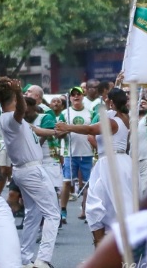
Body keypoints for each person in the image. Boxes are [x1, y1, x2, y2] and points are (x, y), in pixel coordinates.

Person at [0, 77, 59, 268]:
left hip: (25, 170)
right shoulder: (10, 118)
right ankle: (43, 260)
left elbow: (36, 130)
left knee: (33, 214)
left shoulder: (13, 120)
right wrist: (19, 93)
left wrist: (58, 131)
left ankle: (25, 259)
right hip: (31, 170)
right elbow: (21, 110)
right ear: (13, 96)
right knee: (53, 214)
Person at [56, 88, 135, 247]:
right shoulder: (124, 117)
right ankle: (109, 245)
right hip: (121, 162)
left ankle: (102, 245)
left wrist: (68, 127)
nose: (104, 102)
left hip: (111, 164)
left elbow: (91, 129)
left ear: (111, 102)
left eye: (107, 100)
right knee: (113, 205)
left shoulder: (112, 121)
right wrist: (118, 84)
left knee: (97, 205)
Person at [59, 86, 95, 224]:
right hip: (70, 152)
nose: (75, 97)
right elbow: (58, 133)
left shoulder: (90, 113)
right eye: (73, 95)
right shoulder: (65, 113)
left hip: (86, 152)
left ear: (82, 96)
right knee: (67, 182)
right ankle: (63, 210)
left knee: (87, 184)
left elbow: (94, 130)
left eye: (78, 94)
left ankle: (85, 210)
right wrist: (65, 130)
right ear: (70, 98)